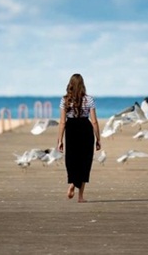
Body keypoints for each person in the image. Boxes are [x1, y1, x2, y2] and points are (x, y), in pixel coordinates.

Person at [57, 73, 101, 203]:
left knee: (72, 160)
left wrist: (60, 140)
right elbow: (94, 121)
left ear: (70, 84)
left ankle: (73, 183)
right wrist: (98, 139)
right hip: (85, 129)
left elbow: (62, 122)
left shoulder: (65, 100)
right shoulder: (89, 99)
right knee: (85, 162)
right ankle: (80, 196)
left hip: (71, 130)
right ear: (83, 85)